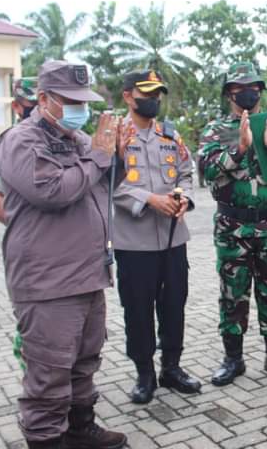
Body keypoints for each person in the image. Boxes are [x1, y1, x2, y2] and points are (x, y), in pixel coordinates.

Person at [0, 60, 128, 449]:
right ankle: (47, 440)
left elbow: (104, 185)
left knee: (84, 362)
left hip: (88, 273)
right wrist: (100, 157)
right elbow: (53, 192)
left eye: (83, 101)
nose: (79, 109)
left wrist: (115, 156)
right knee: (49, 374)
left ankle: (80, 428)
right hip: (48, 282)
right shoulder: (21, 141)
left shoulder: (80, 141)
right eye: (70, 101)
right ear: (44, 99)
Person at [199, 62, 267, 386]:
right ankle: (233, 359)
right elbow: (207, 170)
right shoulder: (216, 131)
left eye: (252, 87)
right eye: (238, 88)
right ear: (229, 93)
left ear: (260, 90)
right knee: (232, 295)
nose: (246, 93)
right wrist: (240, 148)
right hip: (232, 225)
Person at [112, 70, 200, 404]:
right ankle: (145, 373)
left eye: (158, 93)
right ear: (128, 96)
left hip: (174, 237)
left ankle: (172, 368)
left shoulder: (170, 136)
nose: (154, 99)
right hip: (134, 242)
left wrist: (184, 199)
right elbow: (105, 184)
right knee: (137, 308)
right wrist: (149, 199)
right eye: (146, 93)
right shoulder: (113, 136)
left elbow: (186, 172)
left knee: (174, 304)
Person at [0, 78, 39, 223]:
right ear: (16, 106)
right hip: (35, 239)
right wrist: (31, 228)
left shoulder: (72, 140)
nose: (39, 109)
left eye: (44, 103)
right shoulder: (0, 147)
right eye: (33, 104)